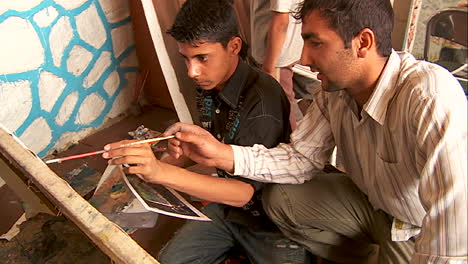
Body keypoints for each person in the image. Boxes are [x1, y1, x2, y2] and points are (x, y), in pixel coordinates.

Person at [160, 0, 468, 263]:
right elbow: (299, 159)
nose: (303, 59)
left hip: (415, 225)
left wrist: (163, 172)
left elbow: (451, 233)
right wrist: (221, 154)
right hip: (370, 203)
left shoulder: (429, 96)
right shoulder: (333, 93)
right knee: (281, 201)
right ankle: (362, 252)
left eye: (315, 43)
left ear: (362, 42)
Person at [102, 0, 301, 263]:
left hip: (271, 221)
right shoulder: (210, 82)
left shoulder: (262, 102)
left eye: (202, 58)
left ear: (234, 46)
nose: (192, 72)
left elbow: (245, 193)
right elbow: (216, 148)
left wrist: (161, 172)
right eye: (185, 58)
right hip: (227, 210)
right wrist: (177, 155)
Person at [250, 0, 304, 129]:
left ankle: (296, 144)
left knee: (282, 107)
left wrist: (269, 68)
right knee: (284, 104)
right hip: (274, 55)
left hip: (276, 57)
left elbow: (281, 22)